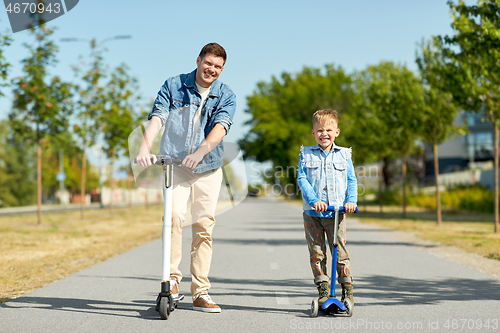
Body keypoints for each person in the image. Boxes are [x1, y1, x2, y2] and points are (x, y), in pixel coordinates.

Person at [135, 43, 236, 313]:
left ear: (222, 69)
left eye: (218, 67)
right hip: (175, 165)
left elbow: (220, 127)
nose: (212, 70)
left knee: (203, 226)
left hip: (208, 168)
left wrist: (200, 151)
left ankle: (201, 292)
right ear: (198, 60)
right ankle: (172, 282)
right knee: (173, 217)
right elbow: (158, 116)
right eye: (208, 64)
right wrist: (145, 147)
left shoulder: (226, 95)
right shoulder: (174, 85)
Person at [297, 109, 357, 307]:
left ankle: (347, 290)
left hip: (337, 213)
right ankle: (323, 290)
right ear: (313, 133)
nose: (324, 134)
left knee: (340, 252)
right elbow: (302, 179)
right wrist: (314, 200)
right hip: (313, 213)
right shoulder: (305, 154)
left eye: (329, 130)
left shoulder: (344, 155)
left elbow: (351, 180)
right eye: (320, 130)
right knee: (317, 252)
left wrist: (351, 201)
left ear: (337, 132)